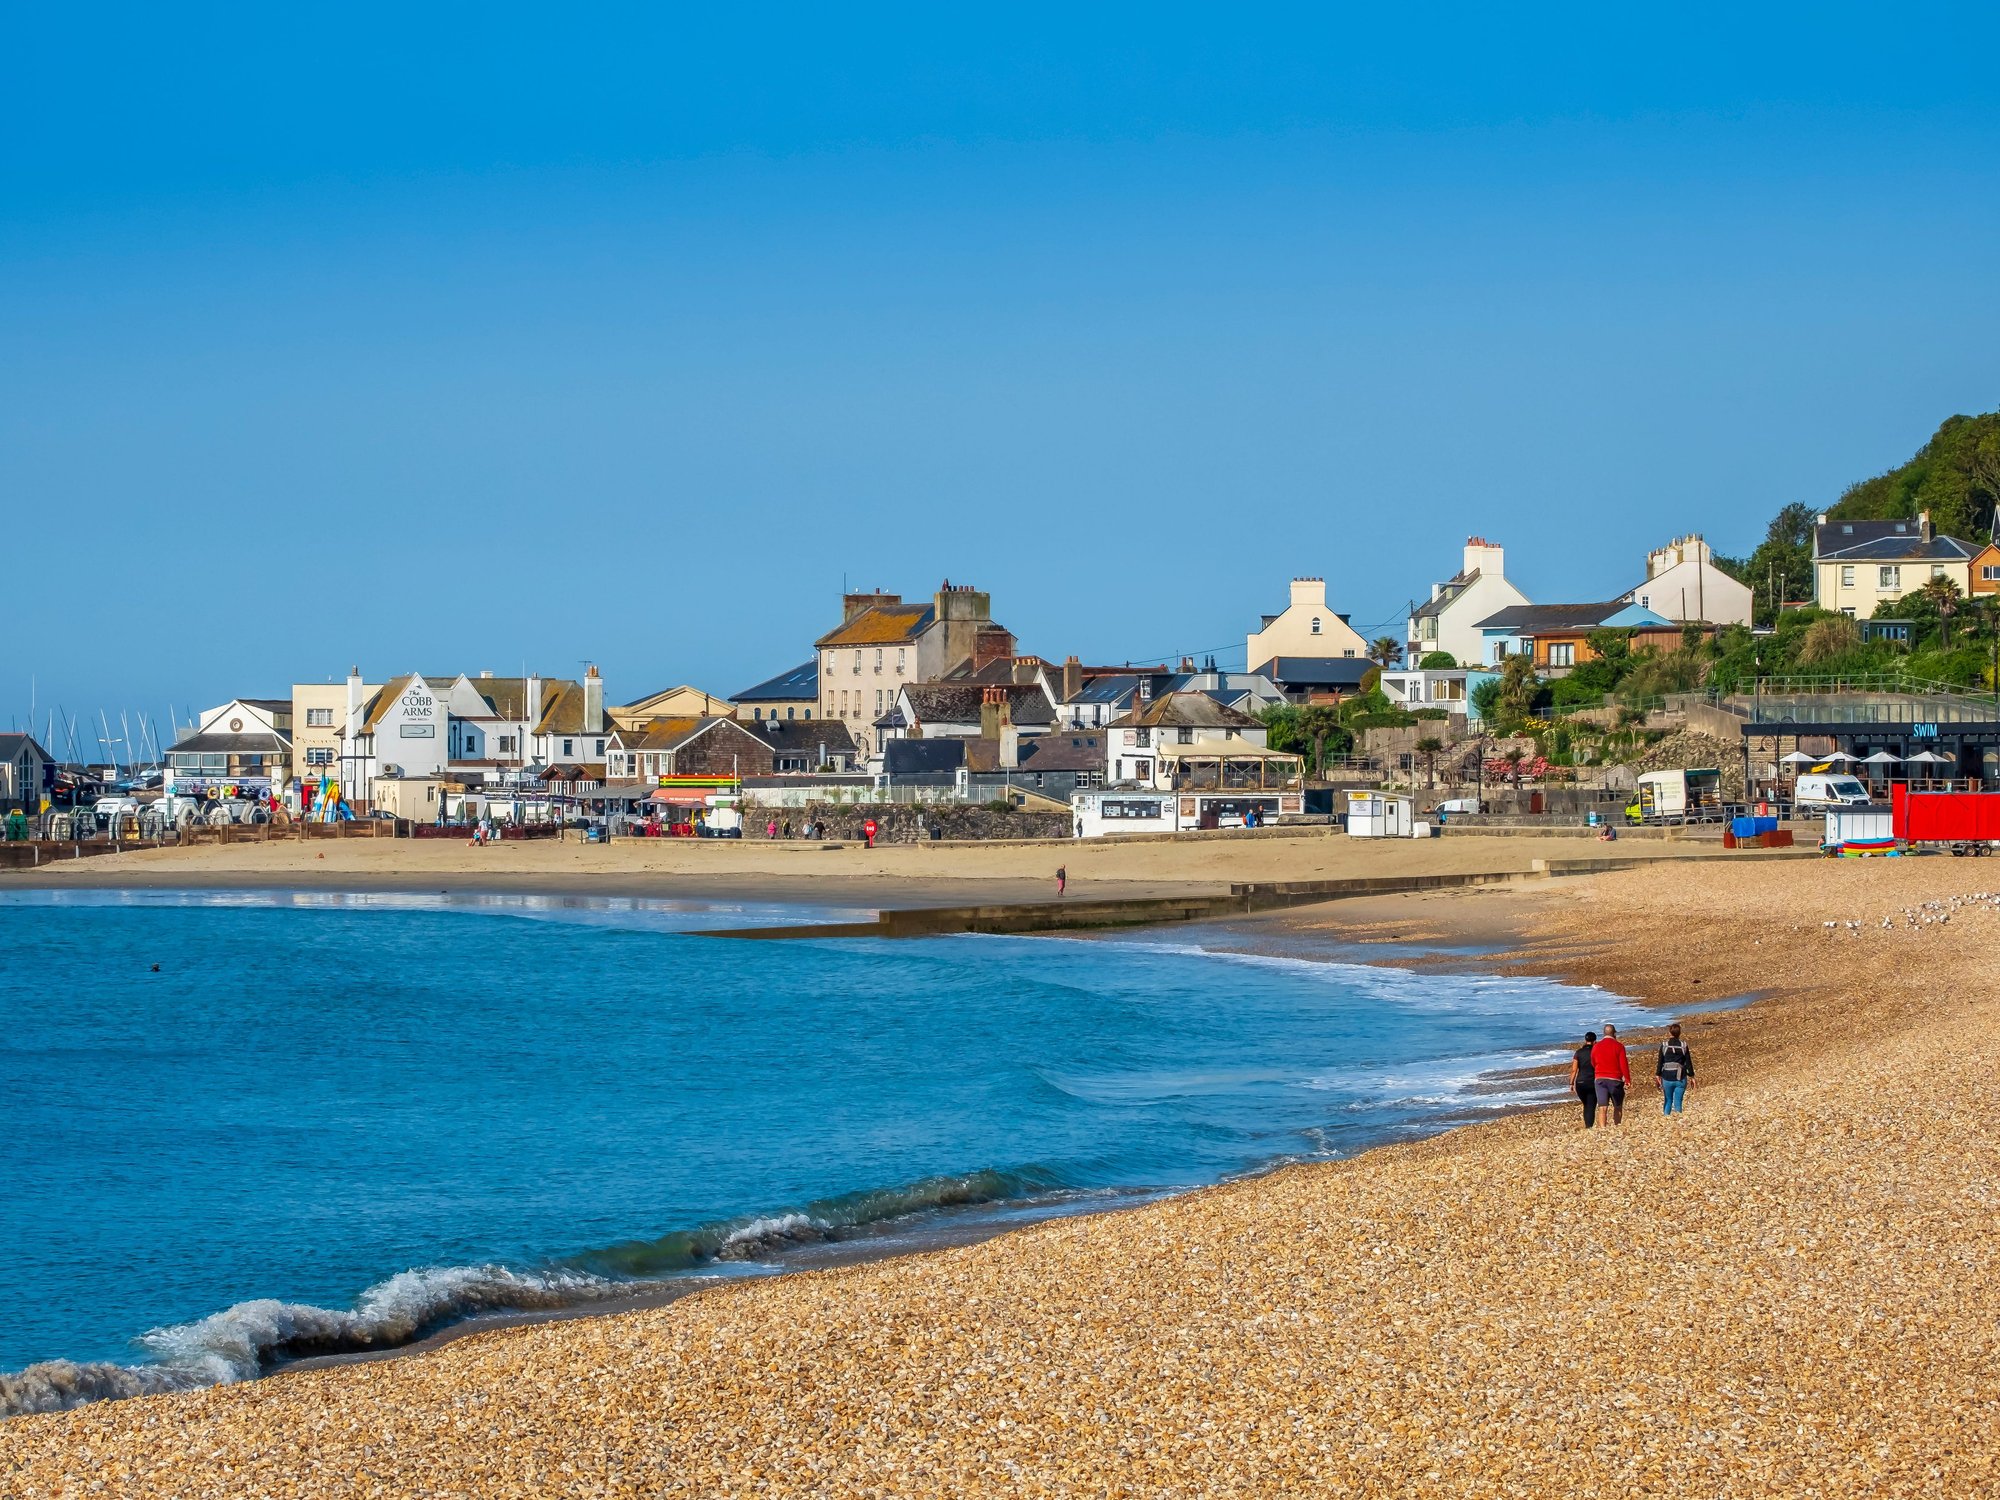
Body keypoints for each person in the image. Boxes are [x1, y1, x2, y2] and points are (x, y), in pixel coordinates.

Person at [1591, 1024, 1631, 1126]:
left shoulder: (1596, 1046)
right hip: (1615, 1079)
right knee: (1617, 1106)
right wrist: (1627, 1079)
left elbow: (1593, 1062)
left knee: (1602, 1107)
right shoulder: (1619, 1046)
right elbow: (1623, 1064)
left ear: (1604, 1033)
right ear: (1614, 1033)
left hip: (1600, 1078)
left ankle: (1603, 1129)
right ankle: (1617, 1125)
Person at [1656, 1023, 1695, 1115]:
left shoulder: (1664, 1045)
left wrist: (1658, 1075)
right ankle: (1678, 1120)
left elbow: (1660, 1062)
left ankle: (1666, 1119)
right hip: (1680, 1078)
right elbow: (1688, 1063)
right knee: (1678, 1101)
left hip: (1667, 1077)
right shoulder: (1683, 1045)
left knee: (1668, 1100)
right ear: (1679, 1033)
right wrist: (1692, 1076)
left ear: (1670, 1033)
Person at [1570, 1030, 1598, 1129]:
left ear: (1585, 1040)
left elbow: (1574, 1070)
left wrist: (1571, 1083)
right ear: (1594, 1041)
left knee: (1586, 1104)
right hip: (1592, 1081)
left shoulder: (1578, 1052)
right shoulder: (1596, 1051)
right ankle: (1589, 1126)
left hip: (1580, 1082)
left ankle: (1588, 1125)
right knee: (1591, 1104)